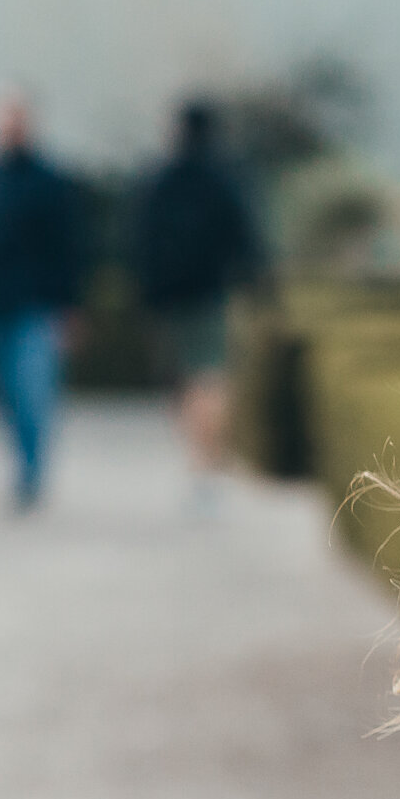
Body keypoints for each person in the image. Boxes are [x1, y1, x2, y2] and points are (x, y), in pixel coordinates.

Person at [0, 94, 86, 511]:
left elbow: (68, 247)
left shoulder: (49, 182)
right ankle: (21, 460)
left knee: (33, 390)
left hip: (35, 303)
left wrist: (69, 306)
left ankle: (31, 471)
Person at [132, 99, 263, 509]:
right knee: (209, 375)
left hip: (169, 297)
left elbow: (141, 239)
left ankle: (199, 458)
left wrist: (146, 291)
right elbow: (244, 236)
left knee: (183, 380)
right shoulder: (223, 177)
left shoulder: (160, 179)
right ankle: (206, 462)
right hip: (208, 292)